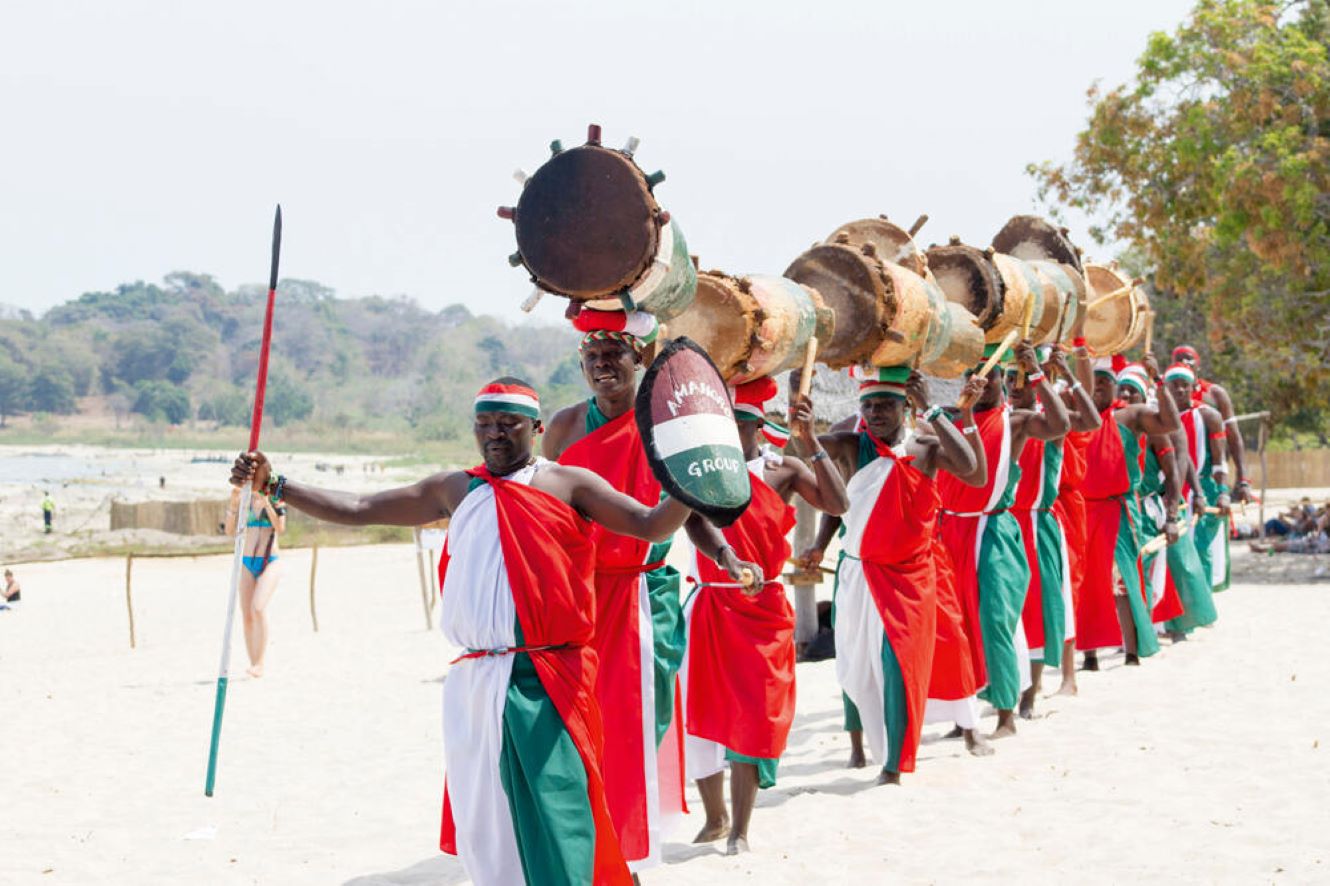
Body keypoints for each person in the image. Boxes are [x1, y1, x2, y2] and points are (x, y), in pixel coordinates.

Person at [229, 377, 761, 886]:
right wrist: (276, 484)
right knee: (491, 825)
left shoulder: (565, 482)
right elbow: (362, 508)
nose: (495, 433)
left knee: (562, 813)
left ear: (534, 428)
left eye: (509, 423)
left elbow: (649, 525)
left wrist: (695, 480)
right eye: (485, 423)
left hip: (548, 675)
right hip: (475, 680)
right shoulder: (456, 488)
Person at [542, 308, 685, 871]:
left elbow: (682, 501)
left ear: (638, 358)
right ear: (581, 364)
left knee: (641, 723)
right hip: (578, 594)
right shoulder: (563, 426)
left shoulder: (664, 422)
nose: (604, 365)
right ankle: (587, 843)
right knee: (581, 723)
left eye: (615, 355)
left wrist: (722, 551)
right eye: (593, 357)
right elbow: (538, 504)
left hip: (647, 592)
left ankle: (627, 845)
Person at [679, 375, 847, 852]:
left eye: (738, 426)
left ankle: (740, 830)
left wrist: (811, 442)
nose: (729, 435)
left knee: (755, 715)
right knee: (702, 715)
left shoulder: (782, 469)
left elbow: (839, 503)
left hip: (765, 610)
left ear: (757, 426)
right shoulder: (697, 471)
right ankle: (715, 819)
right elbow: (690, 523)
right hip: (711, 601)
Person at [806, 366, 984, 785]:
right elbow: (838, 498)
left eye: (885, 404)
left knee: (897, 664)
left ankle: (894, 765)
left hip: (910, 579)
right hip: (858, 575)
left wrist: (934, 412)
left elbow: (974, 472)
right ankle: (858, 748)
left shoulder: (925, 448)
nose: (875, 412)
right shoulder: (851, 445)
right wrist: (804, 431)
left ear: (905, 408)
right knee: (856, 663)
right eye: (867, 405)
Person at [934, 340, 1070, 739]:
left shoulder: (1016, 421)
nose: (983, 383)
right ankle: (965, 714)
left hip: (993, 530)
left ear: (1003, 381)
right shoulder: (947, 419)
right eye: (974, 376)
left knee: (996, 620)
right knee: (959, 626)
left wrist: (1039, 372)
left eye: (991, 376)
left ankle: (1007, 715)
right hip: (949, 533)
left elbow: (1060, 426)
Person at [1008, 346, 1100, 719]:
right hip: (1000, 521)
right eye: (1008, 379)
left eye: (1019, 378)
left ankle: (1042, 688)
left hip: (1040, 518)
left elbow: (1091, 420)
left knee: (1046, 604)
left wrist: (1054, 372)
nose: (1012, 386)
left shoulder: (1050, 422)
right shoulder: (1000, 418)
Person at [1077, 354, 1180, 669]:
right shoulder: (1077, 417)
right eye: (1095, 378)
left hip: (1119, 509)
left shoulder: (1131, 415)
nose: (1101, 385)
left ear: (1115, 384)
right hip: (1083, 512)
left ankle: (1132, 650)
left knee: (1122, 579)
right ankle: (1089, 654)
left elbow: (1170, 423)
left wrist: (1158, 381)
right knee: (1086, 582)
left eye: (1107, 379)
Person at [1163, 362, 1233, 593]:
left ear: (1194, 388)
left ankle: (1201, 602)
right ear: (1166, 388)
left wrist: (1223, 493)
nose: (1181, 390)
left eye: (1186, 385)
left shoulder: (1209, 416)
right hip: (1170, 492)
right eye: (1175, 386)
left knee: (1200, 546)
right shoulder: (1157, 418)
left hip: (1202, 489)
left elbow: (1219, 461)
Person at [1172, 345, 1253, 503]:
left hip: (1210, 478)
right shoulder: (1167, 394)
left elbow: (1234, 438)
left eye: (1189, 359)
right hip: (1176, 478)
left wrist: (1243, 480)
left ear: (1198, 364)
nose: (1184, 363)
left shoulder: (1214, 394)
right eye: (1179, 360)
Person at [224, 480, 287, 678]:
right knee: (247, 615)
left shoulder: (276, 498)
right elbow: (229, 531)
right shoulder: (244, 499)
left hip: (271, 560)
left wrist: (266, 502)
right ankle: (253, 663)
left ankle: (260, 662)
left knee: (258, 608)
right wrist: (234, 504)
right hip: (247, 561)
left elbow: (279, 527)